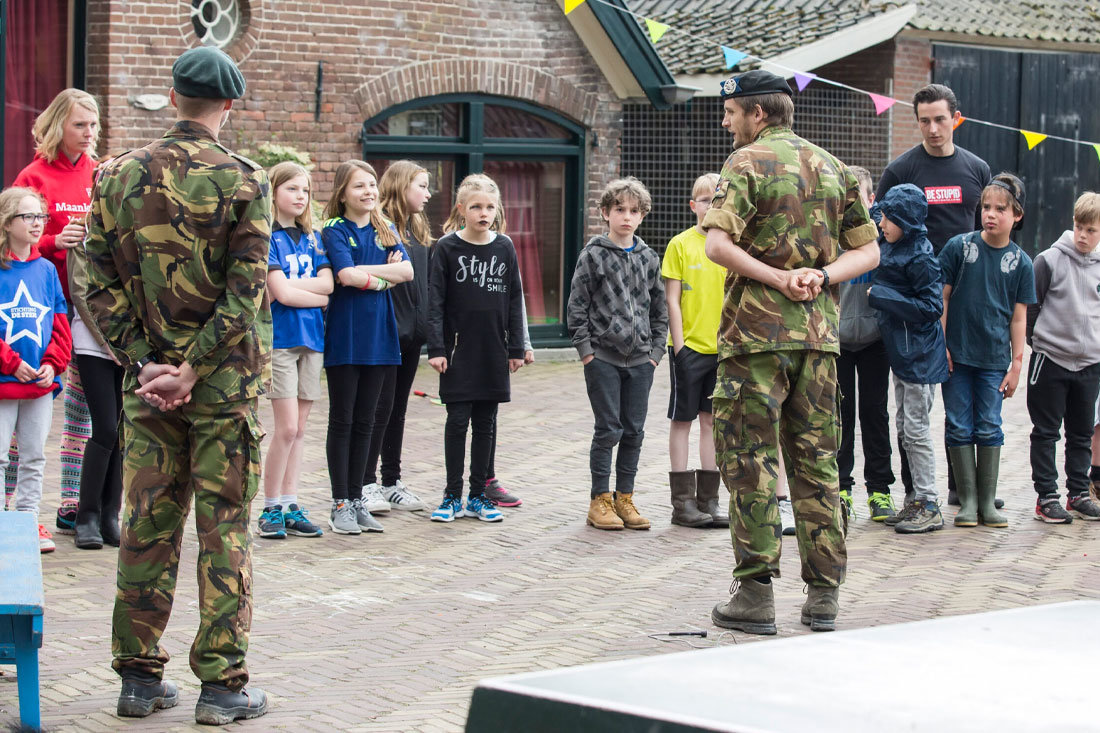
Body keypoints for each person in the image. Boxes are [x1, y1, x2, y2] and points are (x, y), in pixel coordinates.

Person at [84, 46, 272, 724]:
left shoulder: (117, 177)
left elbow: (95, 282)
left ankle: (138, 677)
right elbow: (245, 291)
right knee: (224, 529)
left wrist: (144, 364)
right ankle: (222, 688)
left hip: (148, 386)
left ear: (171, 94)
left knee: (147, 524)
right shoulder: (247, 181)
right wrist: (194, 367)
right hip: (222, 386)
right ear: (229, 105)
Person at [702, 70, 878, 635]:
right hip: (820, 340)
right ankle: (824, 596)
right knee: (817, 462)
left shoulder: (745, 162)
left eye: (731, 113)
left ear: (757, 114)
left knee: (750, 461)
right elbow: (870, 251)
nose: (725, 121)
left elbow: (716, 244)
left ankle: (754, 596)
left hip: (755, 339)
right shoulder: (833, 165)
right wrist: (822, 276)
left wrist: (777, 280)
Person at [876, 83, 993, 508]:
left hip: (966, 296)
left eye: (940, 119)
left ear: (955, 118)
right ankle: (915, 492)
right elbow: (878, 222)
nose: (932, 128)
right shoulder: (902, 169)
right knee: (914, 409)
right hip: (918, 304)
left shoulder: (978, 169)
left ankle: (966, 488)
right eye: (924, 120)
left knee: (963, 397)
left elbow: (991, 225)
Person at [11, 88, 99, 535]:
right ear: (58, 125)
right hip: (38, 311)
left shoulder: (99, 175)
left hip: (84, 312)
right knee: (25, 418)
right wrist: (51, 242)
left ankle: (69, 502)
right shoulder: (34, 176)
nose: (88, 133)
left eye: (93, 125)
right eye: (79, 125)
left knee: (79, 414)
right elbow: (15, 240)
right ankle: (15, 508)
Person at [567, 176, 667, 532]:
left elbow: (660, 309)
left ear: (642, 215)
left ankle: (625, 497)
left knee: (634, 431)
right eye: (620, 209)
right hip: (603, 359)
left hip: (641, 360)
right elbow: (577, 308)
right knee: (608, 428)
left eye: (634, 211)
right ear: (605, 212)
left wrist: (656, 351)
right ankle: (600, 500)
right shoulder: (592, 255)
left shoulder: (649, 258)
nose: (627, 216)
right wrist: (587, 352)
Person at [938, 173, 1035, 530]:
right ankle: (968, 502)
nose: (990, 214)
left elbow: (1018, 318)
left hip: (994, 361)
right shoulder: (958, 248)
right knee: (959, 425)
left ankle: (987, 504)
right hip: (957, 358)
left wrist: (1017, 364)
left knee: (989, 426)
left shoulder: (1022, 263)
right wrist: (942, 346)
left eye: (1000, 209)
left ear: (1017, 215)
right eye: (986, 207)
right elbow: (943, 298)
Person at [321, 160, 413, 535]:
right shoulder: (334, 230)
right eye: (359, 186)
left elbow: (406, 273)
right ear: (343, 192)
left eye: (372, 184)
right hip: (346, 337)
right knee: (343, 419)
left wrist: (367, 276)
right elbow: (344, 275)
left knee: (368, 420)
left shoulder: (385, 227)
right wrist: (382, 279)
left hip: (381, 337)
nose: (369, 192)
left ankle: (358, 499)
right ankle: (340, 501)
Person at [427, 173, 525, 523]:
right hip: (457, 351)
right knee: (457, 421)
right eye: (476, 207)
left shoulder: (505, 247)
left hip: (493, 350)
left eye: (489, 206)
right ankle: (452, 495)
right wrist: (436, 348)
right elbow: (435, 302)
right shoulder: (446, 248)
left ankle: (478, 495)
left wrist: (517, 347)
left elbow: (515, 299)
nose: (484, 213)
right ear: (461, 209)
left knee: (486, 423)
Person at [866, 184, 950, 533]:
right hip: (902, 356)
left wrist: (881, 296)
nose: (881, 222)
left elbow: (932, 307)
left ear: (904, 221)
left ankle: (928, 503)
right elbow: (869, 216)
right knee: (904, 427)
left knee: (915, 431)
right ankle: (914, 499)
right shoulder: (892, 239)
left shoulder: (920, 257)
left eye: (887, 217)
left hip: (918, 357)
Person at [256, 161, 331, 540]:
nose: (300, 196)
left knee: (300, 430)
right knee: (284, 428)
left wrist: (297, 289)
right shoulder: (267, 237)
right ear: (273, 193)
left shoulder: (313, 238)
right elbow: (278, 294)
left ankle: (289, 502)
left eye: (304, 190)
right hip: (281, 341)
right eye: (291, 189)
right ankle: (269, 507)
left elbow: (329, 285)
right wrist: (309, 292)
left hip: (312, 340)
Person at [0, 187, 72, 553]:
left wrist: (51, 365)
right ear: (7, 222)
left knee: (33, 455)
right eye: (27, 217)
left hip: (40, 384)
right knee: (0, 456)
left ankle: (27, 520)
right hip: (4, 382)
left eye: (40, 217)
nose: (36, 224)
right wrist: (13, 364)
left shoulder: (45, 270)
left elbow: (60, 321)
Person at [362, 160, 432, 513]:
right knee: (379, 408)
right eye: (421, 185)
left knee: (398, 410)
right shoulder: (379, 229)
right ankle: (366, 482)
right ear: (402, 186)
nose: (427, 194)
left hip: (413, 336)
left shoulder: (418, 229)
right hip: (387, 333)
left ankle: (391, 480)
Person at [1026, 192, 1100, 523]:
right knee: (1046, 431)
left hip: (1089, 364)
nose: (1083, 236)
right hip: (1050, 361)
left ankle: (1079, 493)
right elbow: (1030, 307)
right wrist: (1039, 343)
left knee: (1081, 433)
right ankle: (1047, 497)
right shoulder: (1049, 260)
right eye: (1080, 227)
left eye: (1092, 230)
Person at [68, 156, 125, 549]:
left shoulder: (136, 230)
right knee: (104, 426)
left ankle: (111, 514)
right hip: (94, 344)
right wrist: (111, 342)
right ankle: (86, 515)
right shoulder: (83, 232)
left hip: (131, 346)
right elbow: (81, 292)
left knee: (123, 430)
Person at [662, 172, 724, 528]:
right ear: (693, 206)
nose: (711, 205)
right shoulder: (680, 245)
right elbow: (672, 300)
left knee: (712, 422)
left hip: (722, 351)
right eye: (704, 200)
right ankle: (682, 504)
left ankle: (709, 501)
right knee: (682, 419)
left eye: (717, 199)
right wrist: (681, 347)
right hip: (689, 350)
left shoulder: (730, 245)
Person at [837, 166, 895, 522]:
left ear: (872, 199)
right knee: (839, 416)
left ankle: (880, 490)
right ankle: (841, 487)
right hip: (839, 341)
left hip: (876, 340)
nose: (854, 201)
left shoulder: (884, 237)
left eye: (860, 195)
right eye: (848, 195)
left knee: (875, 413)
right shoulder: (830, 234)